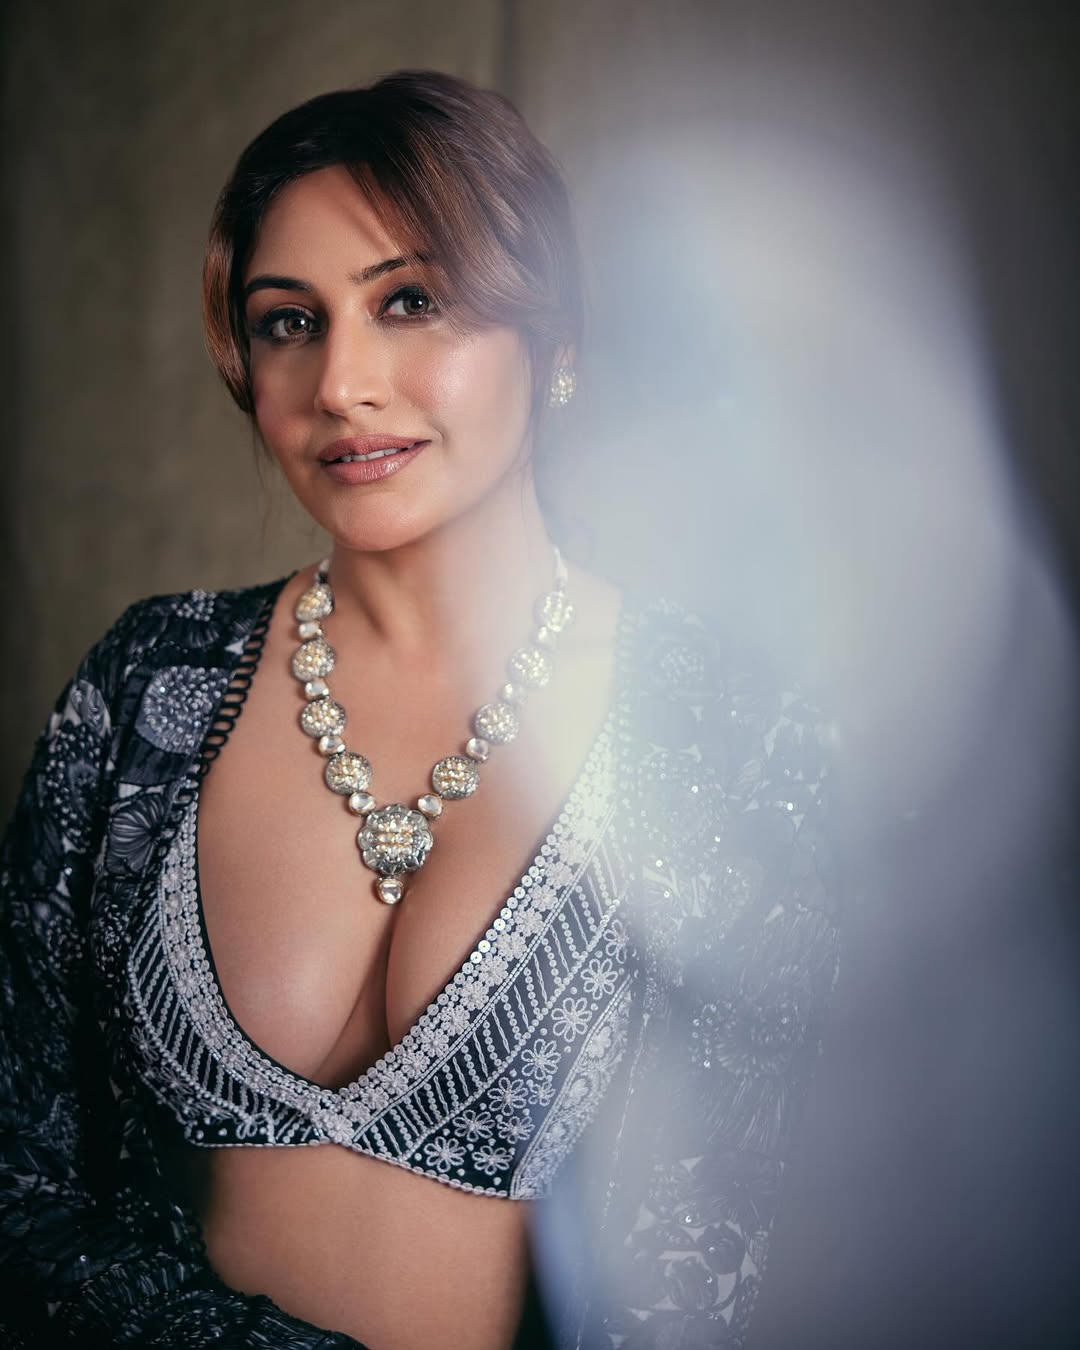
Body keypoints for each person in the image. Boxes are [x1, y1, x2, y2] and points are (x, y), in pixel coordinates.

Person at [0, 70, 839, 1349]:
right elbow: (17, 1179)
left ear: (554, 344)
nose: (342, 383)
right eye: (290, 322)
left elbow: (743, 1266)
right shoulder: (148, 688)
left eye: (411, 302)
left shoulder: (725, 733)